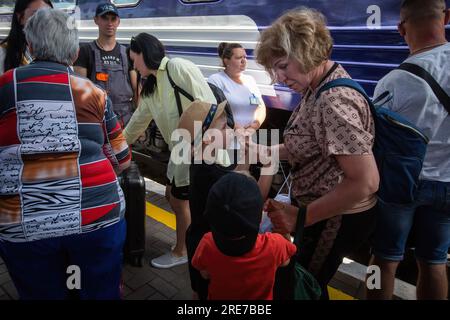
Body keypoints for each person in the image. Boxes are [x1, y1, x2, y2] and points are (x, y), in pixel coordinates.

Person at [0, 8, 131, 299]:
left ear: (31, 47)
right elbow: (122, 158)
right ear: (73, 53)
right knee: (99, 291)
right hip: (99, 216)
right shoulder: (94, 93)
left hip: (24, 222)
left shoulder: (6, 85)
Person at [255, 7, 379, 299]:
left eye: (283, 65)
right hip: (322, 216)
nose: (278, 77)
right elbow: (311, 142)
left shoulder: (332, 101)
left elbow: (365, 181)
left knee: (305, 286)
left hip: (332, 220)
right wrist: (266, 150)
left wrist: (300, 217)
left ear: (306, 51)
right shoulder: (318, 85)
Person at [367, 0, 450, 300]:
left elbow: (373, 140)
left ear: (401, 28)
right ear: (447, 18)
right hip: (448, 185)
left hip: (404, 186)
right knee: (435, 263)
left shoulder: (395, 80)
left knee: (383, 261)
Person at [124, 33, 217, 268]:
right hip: (180, 151)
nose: (133, 65)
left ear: (145, 53)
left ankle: (183, 250)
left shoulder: (177, 67)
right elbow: (138, 120)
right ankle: (190, 244)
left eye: (134, 59)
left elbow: (209, 105)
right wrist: (118, 143)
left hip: (199, 148)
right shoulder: (151, 87)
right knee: (172, 196)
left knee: (178, 199)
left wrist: (204, 143)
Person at [192, 173, 296, 300]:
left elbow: (205, 274)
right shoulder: (273, 246)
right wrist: (282, 226)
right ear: (259, 219)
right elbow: (287, 260)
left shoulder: (207, 243)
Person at [73, 2, 138, 127]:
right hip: (97, 119)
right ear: (96, 20)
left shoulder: (127, 53)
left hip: (125, 121)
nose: (110, 23)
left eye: (113, 19)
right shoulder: (86, 51)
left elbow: (136, 91)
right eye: (104, 18)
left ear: (118, 21)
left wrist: (138, 124)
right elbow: (79, 93)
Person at [208, 42, 266, 130]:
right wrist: (237, 128)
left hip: (249, 135)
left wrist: (254, 127)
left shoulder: (250, 80)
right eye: (239, 58)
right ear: (226, 61)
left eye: (245, 57)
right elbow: (216, 112)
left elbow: (260, 106)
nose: (244, 60)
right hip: (227, 136)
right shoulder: (216, 80)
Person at [0, 0, 53, 74]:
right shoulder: (3, 53)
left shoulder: (59, 50)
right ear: (20, 18)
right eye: (36, 14)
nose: (44, 20)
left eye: (49, 15)